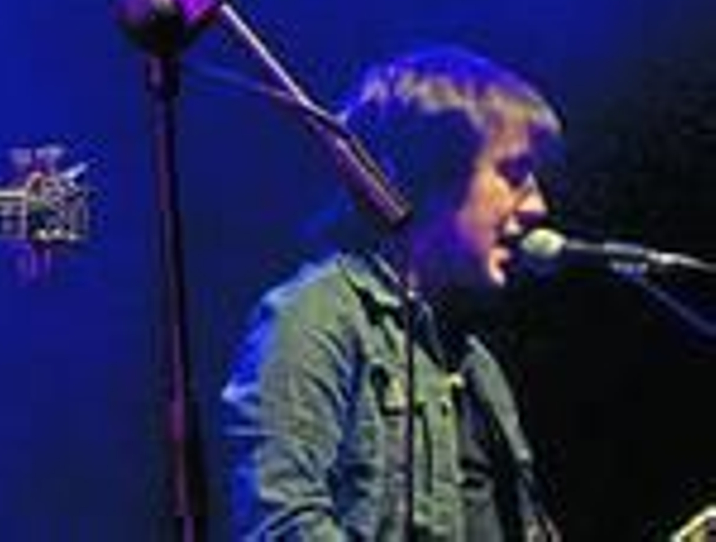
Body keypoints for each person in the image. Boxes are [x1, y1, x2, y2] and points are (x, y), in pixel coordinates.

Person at [221, 45, 564, 539]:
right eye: (512, 173)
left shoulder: (478, 368)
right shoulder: (315, 317)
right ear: (427, 174)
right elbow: (280, 524)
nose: (537, 205)